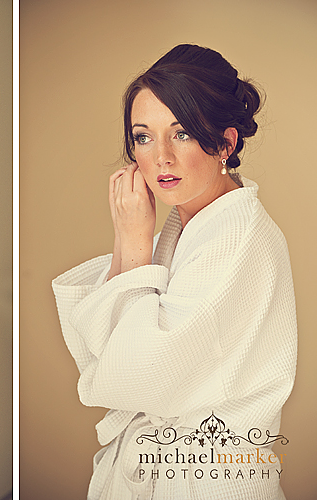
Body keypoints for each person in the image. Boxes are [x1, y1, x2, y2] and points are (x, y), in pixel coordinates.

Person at [52, 44, 297, 499]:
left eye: (181, 134)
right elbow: (110, 356)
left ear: (226, 142)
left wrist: (134, 242)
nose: (160, 156)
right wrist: (130, 239)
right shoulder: (187, 222)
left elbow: (138, 376)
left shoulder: (236, 235)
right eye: (143, 136)